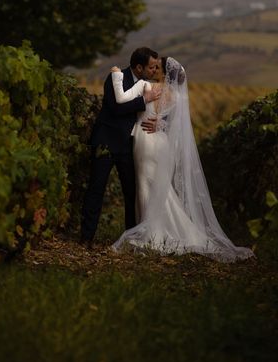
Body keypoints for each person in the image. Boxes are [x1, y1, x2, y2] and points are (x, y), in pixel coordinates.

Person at [109, 56, 254, 262]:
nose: (154, 70)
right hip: (161, 142)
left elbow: (123, 101)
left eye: (157, 67)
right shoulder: (176, 96)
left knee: (144, 184)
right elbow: (174, 126)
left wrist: (116, 76)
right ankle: (171, 229)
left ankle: (151, 234)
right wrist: (161, 124)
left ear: (164, 73)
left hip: (144, 140)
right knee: (161, 188)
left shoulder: (147, 87)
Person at [80, 47, 161, 247]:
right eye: (151, 67)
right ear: (139, 67)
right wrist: (144, 101)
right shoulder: (115, 78)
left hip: (128, 145)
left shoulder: (147, 85)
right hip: (106, 141)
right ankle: (86, 238)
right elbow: (117, 109)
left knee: (131, 191)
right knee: (96, 189)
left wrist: (160, 122)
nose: (154, 71)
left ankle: (131, 237)